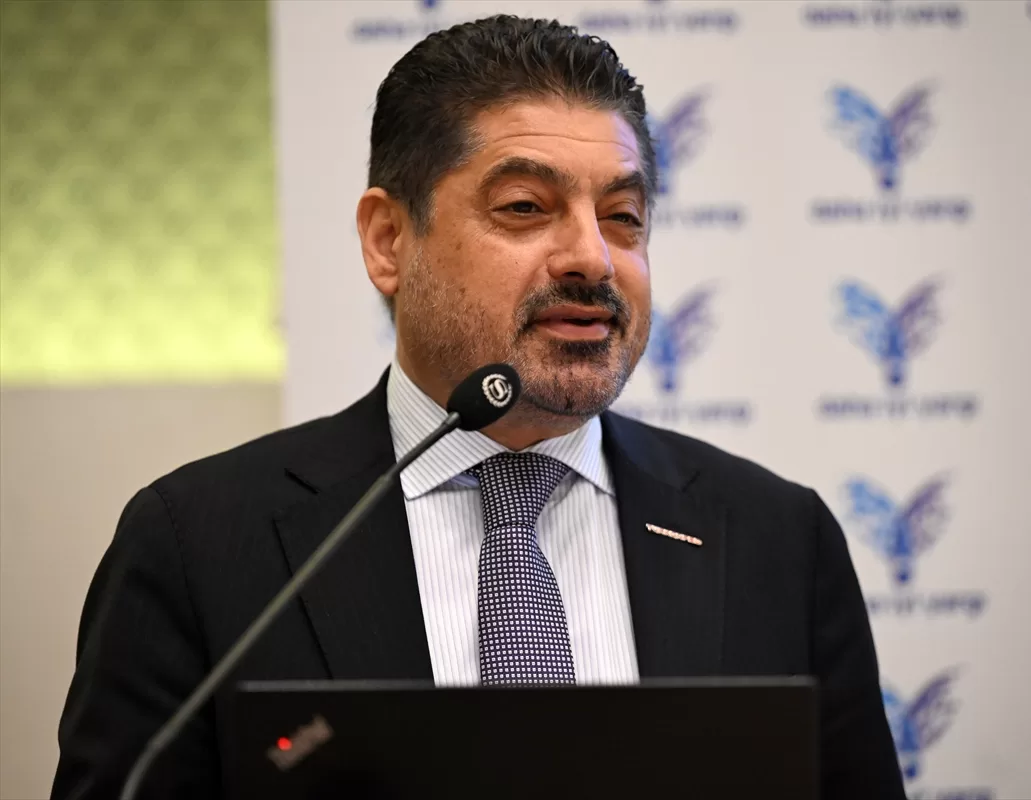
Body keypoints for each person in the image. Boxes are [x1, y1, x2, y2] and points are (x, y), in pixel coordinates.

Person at [52, 15, 905, 799]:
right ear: (389, 241)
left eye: (623, 216)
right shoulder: (199, 545)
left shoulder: (775, 539)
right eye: (526, 208)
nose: (593, 258)